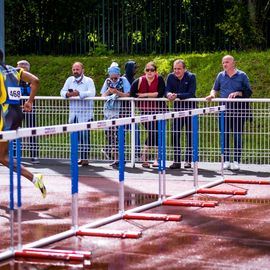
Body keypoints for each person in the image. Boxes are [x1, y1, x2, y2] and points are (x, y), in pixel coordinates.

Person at [0, 49, 46, 198]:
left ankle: (33, 177)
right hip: (16, 113)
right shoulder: (15, 71)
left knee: (2, 156)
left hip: (4, 115)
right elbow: (36, 81)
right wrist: (30, 101)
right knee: (2, 156)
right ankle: (34, 178)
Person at [206, 55, 252, 171]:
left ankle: (236, 161)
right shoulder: (220, 76)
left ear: (233, 63)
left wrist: (238, 93)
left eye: (227, 62)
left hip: (238, 111)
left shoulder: (242, 75)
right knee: (224, 136)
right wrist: (212, 95)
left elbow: (249, 91)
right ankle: (226, 160)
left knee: (237, 136)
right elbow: (215, 88)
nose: (224, 64)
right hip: (223, 111)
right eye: (223, 63)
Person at [130, 61, 165, 168]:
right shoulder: (139, 81)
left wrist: (145, 95)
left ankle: (154, 159)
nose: (150, 72)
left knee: (157, 133)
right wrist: (139, 105)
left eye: (152, 70)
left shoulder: (159, 79)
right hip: (145, 111)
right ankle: (145, 156)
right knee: (153, 132)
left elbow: (159, 94)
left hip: (159, 110)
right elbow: (132, 94)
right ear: (144, 71)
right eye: (147, 70)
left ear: (156, 71)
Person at [60, 62, 96, 166]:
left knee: (85, 137)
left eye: (77, 69)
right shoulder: (69, 80)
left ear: (82, 70)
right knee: (75, 137)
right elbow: (62, 92)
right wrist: (68, 94)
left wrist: (79, 94)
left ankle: (85, 158)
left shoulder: (89, 81)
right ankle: (77, 157)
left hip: (85, 114)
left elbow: (92, 93)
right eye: (74, 69)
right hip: (73, 115)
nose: (75, 71)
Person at [165, 59, 196, 169]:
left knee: (190, 134)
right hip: (177, 111)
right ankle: (177, 160)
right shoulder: (170, 77)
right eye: (175, 69)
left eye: (179, 69)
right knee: (175, 134)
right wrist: (169, 94)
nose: (176, 71)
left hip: (190, 110)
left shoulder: (191, 77)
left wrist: (176, 95)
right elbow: (166, 90)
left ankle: (188, 160)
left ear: (184, 69)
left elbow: (191, 93)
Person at [100, 63, 130, 167]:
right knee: (110, 135)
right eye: (111, 77)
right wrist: (109, 90)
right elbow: (102, 95)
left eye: (115, 77)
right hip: (109, 112)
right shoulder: (107, 82)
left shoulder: (124, 80)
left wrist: (117, 92)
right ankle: (116, 158)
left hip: (121, 112)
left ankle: (122, 158)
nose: (113, 80)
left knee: (119, 135)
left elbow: (128, 94)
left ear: (119, 75)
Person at [17, 60, 39, 164]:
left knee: (32, 131)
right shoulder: (13, 79)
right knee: (14, 131)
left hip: (29, 108)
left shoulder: (32, 80)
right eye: (19, 68)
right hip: (16, 108)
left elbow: (34, 91)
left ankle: (34, 155)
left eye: (24, 69)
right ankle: (14, 155)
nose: (21, 71)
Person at [123, 60, 141, 159]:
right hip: (121, 111)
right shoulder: (122, 79)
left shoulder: (134, 80)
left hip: (130, 111)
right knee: (120, 133)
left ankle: (137, 153)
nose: (135, 70)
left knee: (136, 130)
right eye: (134, 67)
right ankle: (114, 151)